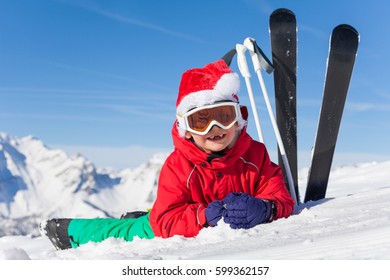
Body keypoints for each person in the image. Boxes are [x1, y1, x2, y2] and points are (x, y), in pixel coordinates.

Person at [40, 59, 294, 250]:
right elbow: (164, 221)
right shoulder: (178, 166)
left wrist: (266, 208)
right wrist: (202, 216)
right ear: (186, 130)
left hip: (177, 214)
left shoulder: (256, 155)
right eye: (200, 122)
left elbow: (280, 196)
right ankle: (69, 229)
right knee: (127, 233)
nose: (214, 129)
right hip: (172, 222)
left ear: (239, 119)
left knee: (149, 217)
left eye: (224, 117)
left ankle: (141, 215)